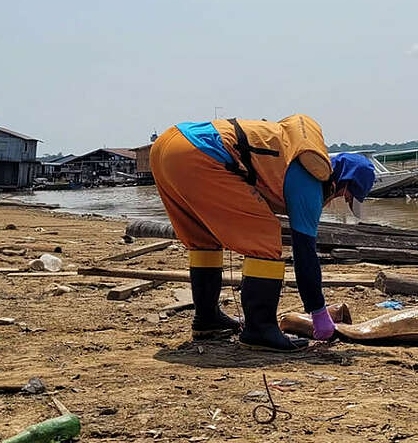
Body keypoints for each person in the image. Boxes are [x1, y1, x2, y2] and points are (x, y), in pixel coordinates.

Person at [149, 114, 375, 352]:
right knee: (266, 236)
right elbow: (304, 253)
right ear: (344, 183)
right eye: (346, 196)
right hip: (200, 152)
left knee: (203, 238)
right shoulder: (310, 177)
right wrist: (318, 312)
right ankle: (260, 329)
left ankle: (207, 320)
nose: (340, 199)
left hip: (168, 146)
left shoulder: (291, 157)